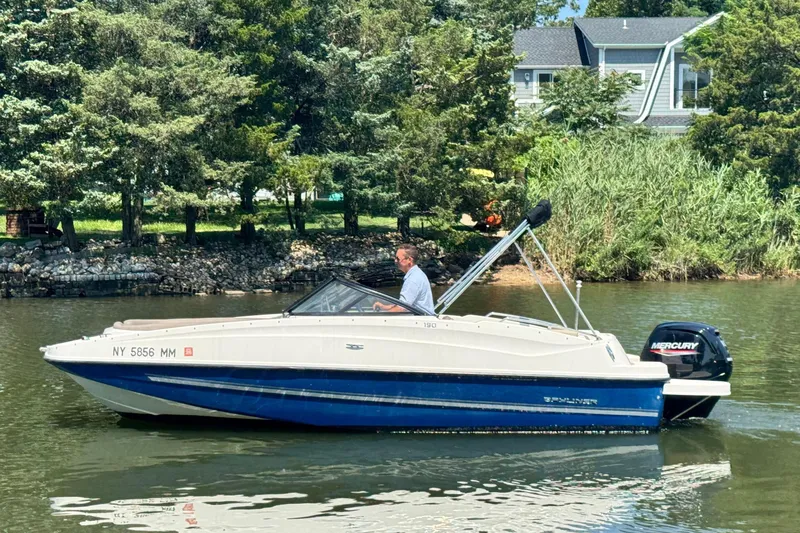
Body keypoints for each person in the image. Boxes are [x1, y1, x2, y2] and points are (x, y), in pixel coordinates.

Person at [373, 244, 435, 315]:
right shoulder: (417, 274)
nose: (395, 261)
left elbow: (401, 308)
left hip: (418, 321)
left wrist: (380, 315)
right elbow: (403, 304)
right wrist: (384, 307)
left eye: (398, 258)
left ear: (409, 260)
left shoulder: (413, 279)